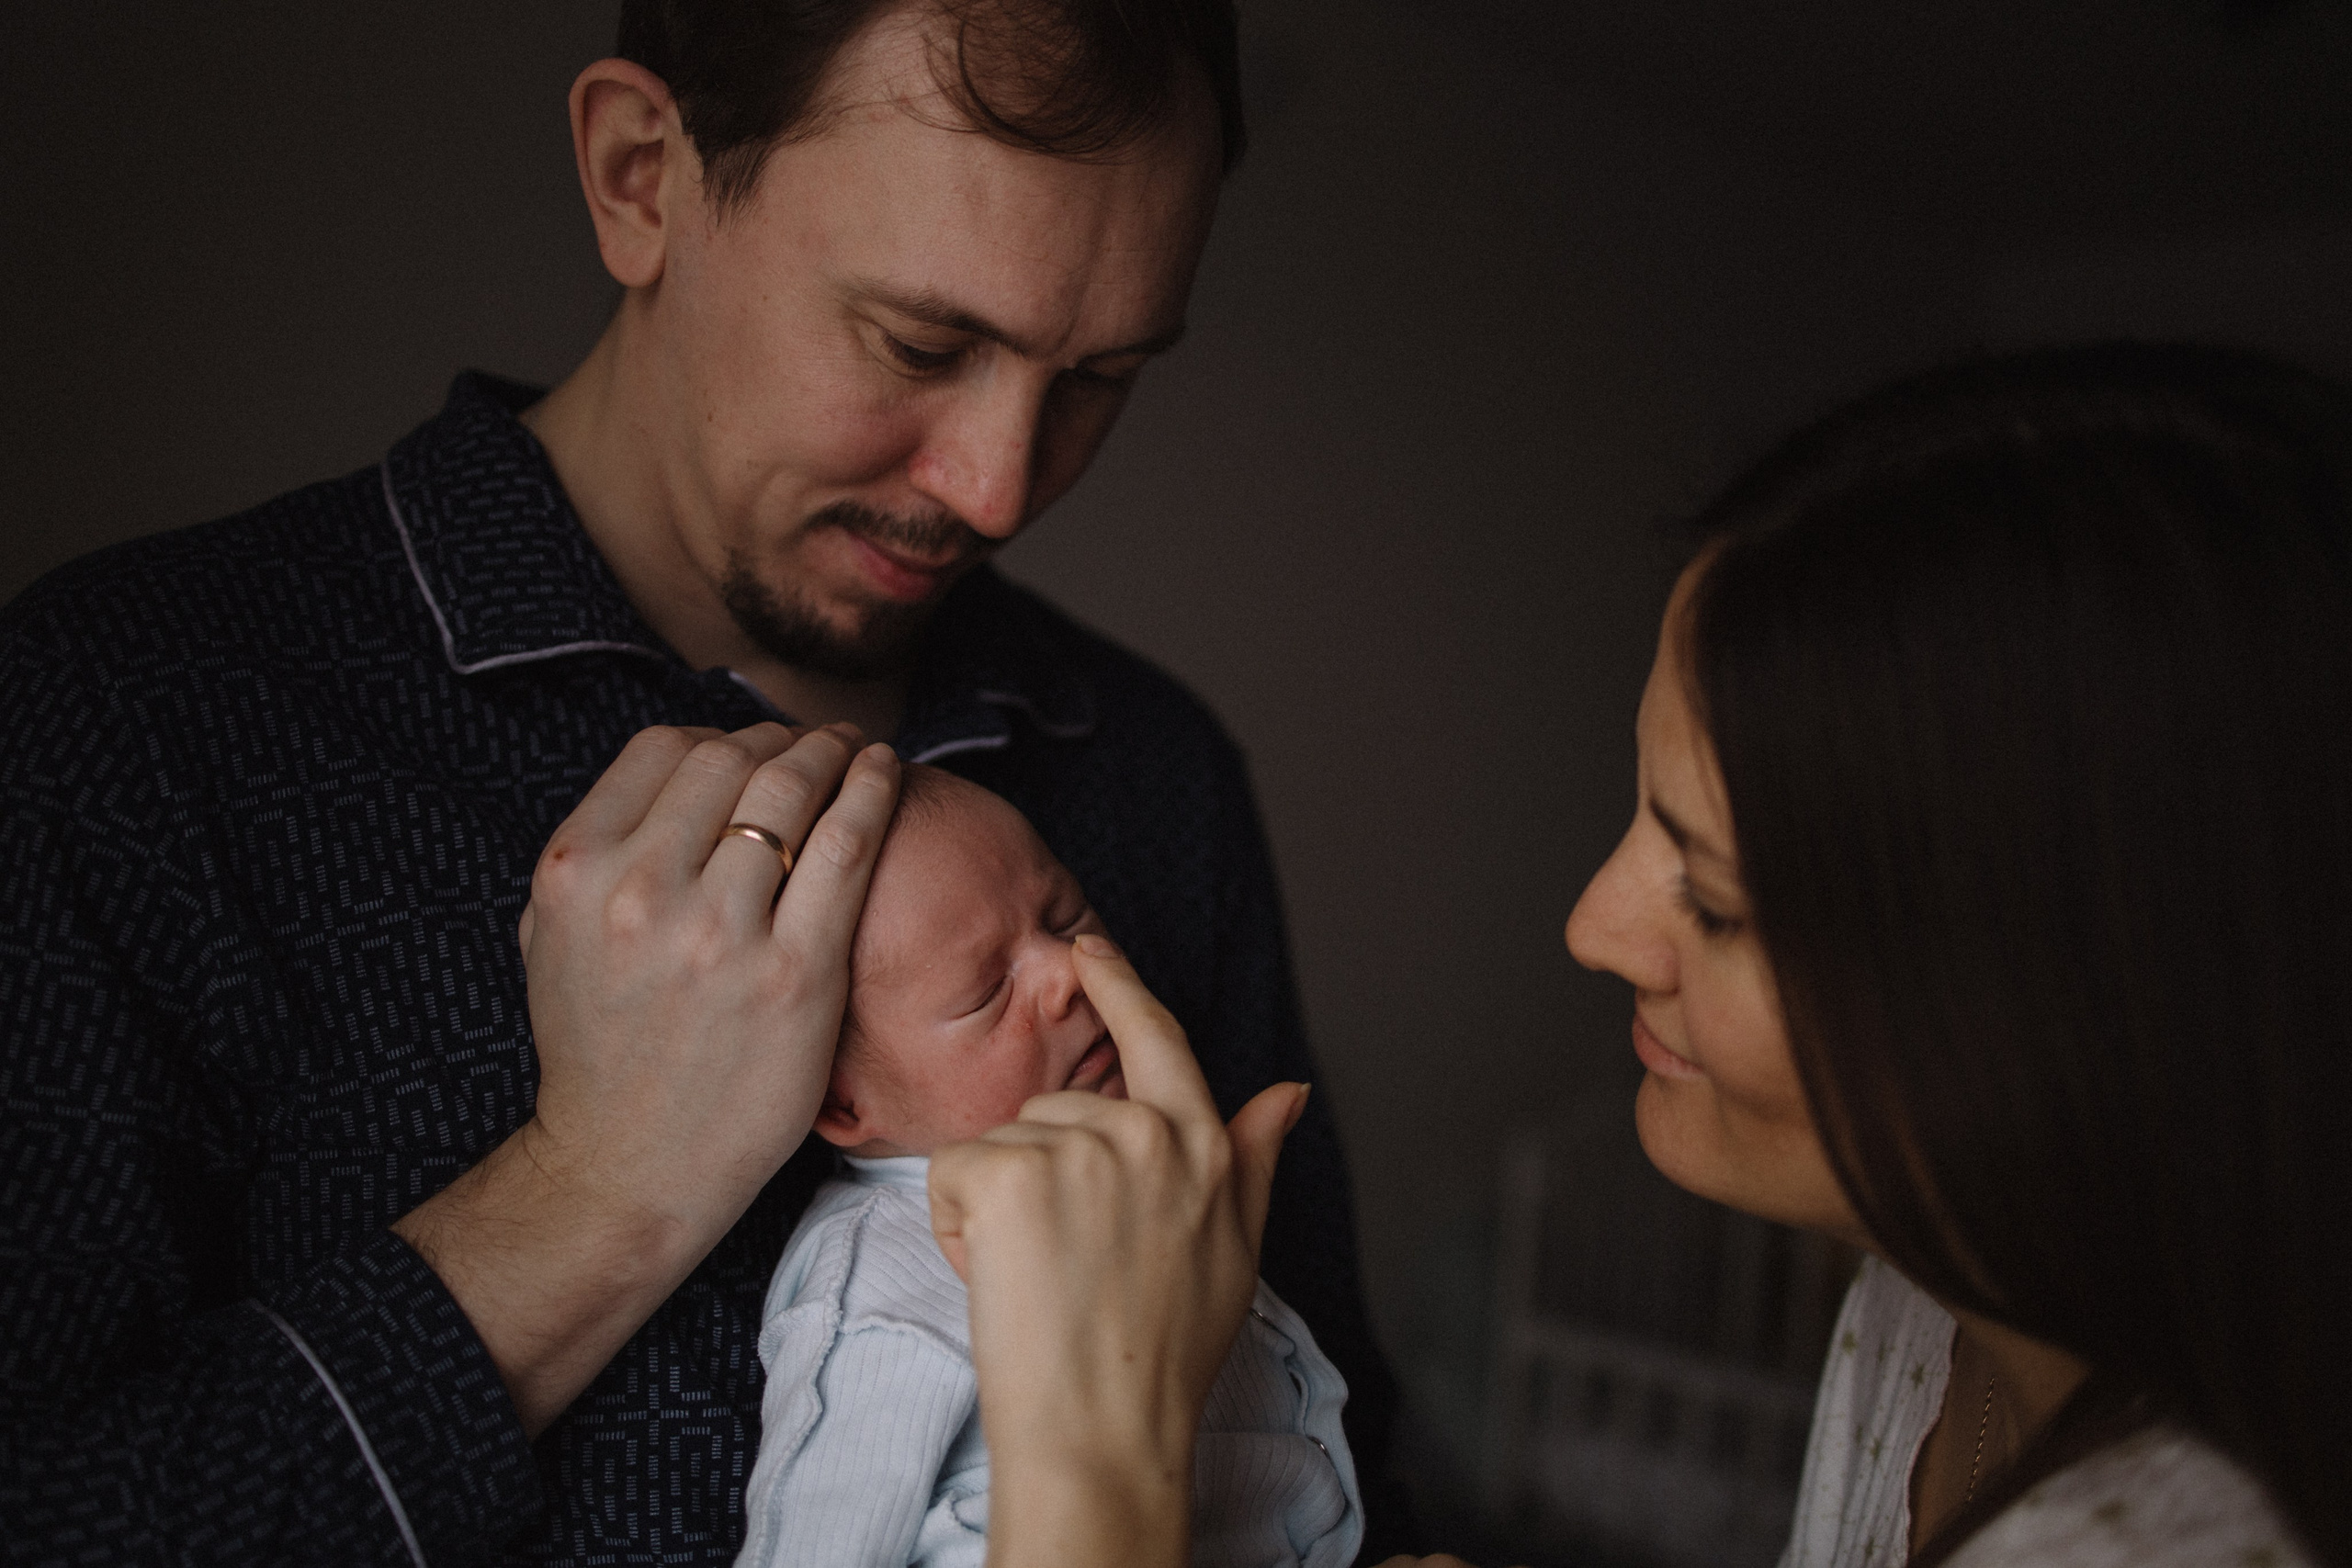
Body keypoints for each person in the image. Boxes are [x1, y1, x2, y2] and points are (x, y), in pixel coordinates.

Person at [0, 1, 1406, 1562]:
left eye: (1102, 376)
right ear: (639, 175)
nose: (999, 484)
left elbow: (1351, 1466)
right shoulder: (128, 714)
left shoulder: (1149, 769)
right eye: (921, 342)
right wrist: (591, 1193)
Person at [922, 342, 2352, 1568]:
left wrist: (1094, 1465)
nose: (1594, 927)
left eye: (1715, 899)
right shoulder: (1934, 1296)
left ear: (2069, 1009)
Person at [733, 764, 1360, 1568]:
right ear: (844, 1104)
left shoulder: (1156, 1171)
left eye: (1065, 916)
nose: (1069, 972)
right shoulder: (874, 1295)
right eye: (987, 991)